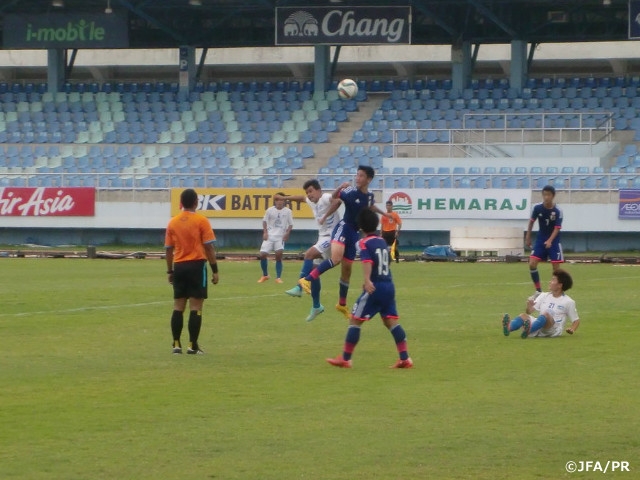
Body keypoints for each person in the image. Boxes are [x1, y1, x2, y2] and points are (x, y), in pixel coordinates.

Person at [298, 166, 391, 319]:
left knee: (347, 271)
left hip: (354, 233)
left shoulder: (369, 196)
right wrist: (340, 187)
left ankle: (341, 304)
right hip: (343, 228)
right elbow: (335, 197)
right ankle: (307, 280)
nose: (357, 178)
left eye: (361, 176)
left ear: (368, 179)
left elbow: (370, 205)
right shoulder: (350, 192)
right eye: (357, 175)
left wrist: (384, 214)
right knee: (335, 259)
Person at [326, 209, 413, 368]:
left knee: (354, 320)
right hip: (389, 284)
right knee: (390, 321)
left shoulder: (363, 243)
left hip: (375, 287)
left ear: (360, 227)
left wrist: (367, 280)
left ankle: (345, 359)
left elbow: (367, 261)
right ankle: (405, 358)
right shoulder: (382, 241)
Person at [275, 180, 342, 322]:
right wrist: (285, 198)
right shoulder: (312, 201)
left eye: (311, 191)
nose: (309, 195)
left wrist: (325, 216)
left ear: (319, 190)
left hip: (332, 237)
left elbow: (337, 202)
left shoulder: (325, 198)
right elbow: (301, 198)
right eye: (307, 192)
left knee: (309, 254)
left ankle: (300, 287)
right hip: (322, 237)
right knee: (314, 271)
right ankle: (317, 306)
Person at [164, 188, 219, 355]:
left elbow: (168, 249)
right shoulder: (202, 221)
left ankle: (176, 344)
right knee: (196, 306)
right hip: (197, 265)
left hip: (179, 266)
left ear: (181, 203)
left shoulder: (172, 222)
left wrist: (170, 271)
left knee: (178, 305)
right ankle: (192, 345)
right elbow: (209, 247)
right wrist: (215, 270)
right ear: (196, 202)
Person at [502, 269, 580, 339]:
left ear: (560, 285)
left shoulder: (568, 301)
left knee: (545, 314)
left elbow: (576, 320)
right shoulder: (543, 295)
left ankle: (529, 330)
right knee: (523, 316)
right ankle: (509, 327)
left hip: (554, 329)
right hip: (539, 325)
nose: (550, 282)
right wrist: (529, 306)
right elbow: (529, 311)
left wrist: (572, 329)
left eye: (553, 280)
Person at [526, 185, 564, 292]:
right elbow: (532, 221)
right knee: (532, 263)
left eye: (548, 195)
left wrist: (550, 240)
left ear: (553, 196)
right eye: (544, 195)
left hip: (554, 240)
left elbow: (557, 228)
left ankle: (556, 291)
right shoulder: (537, 208)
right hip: (541, 239)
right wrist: (528, 236)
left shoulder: (558, 211)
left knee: (556, 268)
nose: (546, 197)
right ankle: (538, 291)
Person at [258, 193, 293, 284]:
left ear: (284, 201)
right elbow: (264, 221)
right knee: (262, 255)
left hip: (280, 237)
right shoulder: (270, 210)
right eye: (278, 200)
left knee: (278, 255)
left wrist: (287, 233)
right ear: (275, 201)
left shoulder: (288, 211)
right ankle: (265, 275)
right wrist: (265, 232)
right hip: (269, 236)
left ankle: (278, 277)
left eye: (281, 200)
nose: (279, 202)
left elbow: (290, 224)